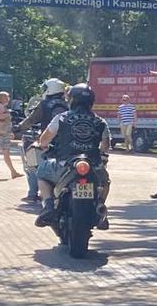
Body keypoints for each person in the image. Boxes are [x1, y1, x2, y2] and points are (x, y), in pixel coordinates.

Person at [33, 83, 111, 229]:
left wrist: (42, 145)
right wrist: (101, 158)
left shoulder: (61, 118)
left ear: (71, 100)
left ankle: (48, 205)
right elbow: (105, 145)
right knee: (105, 182)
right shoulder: (100, 122)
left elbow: (44, 140)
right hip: (93, 166)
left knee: (42, 173)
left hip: (64, 165)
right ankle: (100, 207)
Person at [20, 78, 68, 205]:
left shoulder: (44, 104)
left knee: (32, 163)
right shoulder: (67, 104)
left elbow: (31, 120)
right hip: (64, 143)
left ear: (50, 89)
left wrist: (18, 128)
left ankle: (32, 193)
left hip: (47, 139)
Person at [0, 90, 22, 179]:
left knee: (6, 153)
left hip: (4, 133)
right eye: (6, 97)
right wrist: (9, 114)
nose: (8, 99)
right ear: (2, 98)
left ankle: (13, 171)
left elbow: (6, 122)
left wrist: (10, 131)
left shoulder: (3, 107)